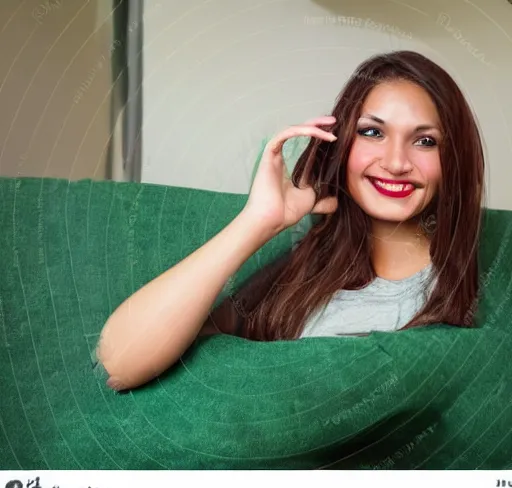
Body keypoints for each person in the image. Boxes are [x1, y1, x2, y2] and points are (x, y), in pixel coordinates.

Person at [95, 50, 484, 391]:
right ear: (342, 142)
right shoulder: (306, 262)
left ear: (453, 160)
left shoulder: (459, 290)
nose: (397, 162)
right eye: (372, 132)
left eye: (425, 141)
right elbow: (119, 364)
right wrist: (258, 221)